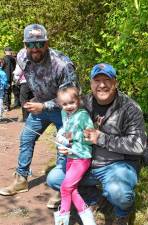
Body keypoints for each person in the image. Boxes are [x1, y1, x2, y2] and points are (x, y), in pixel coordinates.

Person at [47, 63, 147, 225]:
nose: (102, 85)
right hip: (85, 162)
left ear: (115, 83)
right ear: (91, 84)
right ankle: (96, 200)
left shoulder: (130, 108)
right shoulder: (81, 102)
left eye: (107, 80)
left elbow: (138, 145)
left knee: (119, 192)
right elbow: (66, 125)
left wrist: (102, 138)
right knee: (54, 179)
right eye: (97, 80)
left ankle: (123, 212)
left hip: (117, 165)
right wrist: (65, 142)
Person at [0, 24, 78, 204]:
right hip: (40, 105)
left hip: (63, 110)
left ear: (47, 43)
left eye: (40, 44)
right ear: (25, 44)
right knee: (26, 137)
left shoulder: (63, 65)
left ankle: (61, 187)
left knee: (63, 145)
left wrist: (44, 106)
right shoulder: (20, 56)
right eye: (30, 44)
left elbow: (72, 96)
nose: (35, 49)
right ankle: (21, 180)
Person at [54, 85, 96, 225]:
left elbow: (90, 139)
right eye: (64, 104)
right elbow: (66, 130)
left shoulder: (83, 115)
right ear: (60, 104)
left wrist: (74, 142)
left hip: (81, 157)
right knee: (71, 189)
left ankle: (63, 219)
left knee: (65, 188)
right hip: (70, 157)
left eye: (71, 102)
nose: (68, 106)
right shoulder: (63, 113)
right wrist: (61, 138)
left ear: (78, 100)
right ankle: (88, 219)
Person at [3, 46, 16, 111]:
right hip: (12, 77)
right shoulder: (13, 59)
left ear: (5, 52)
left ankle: (6, 106)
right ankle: (8, 105)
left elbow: (2, 68)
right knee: (9, 91)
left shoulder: (4, 59)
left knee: (6, 92)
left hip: (5, 78)